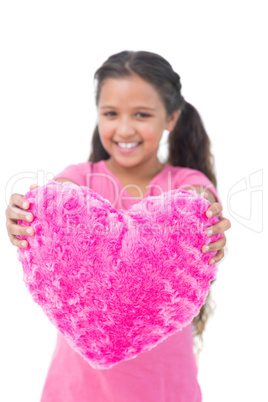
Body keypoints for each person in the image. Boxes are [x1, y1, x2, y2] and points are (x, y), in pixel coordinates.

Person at [5, 50, 231, 401]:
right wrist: (26, 217)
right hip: (74, 391)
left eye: (142, 114)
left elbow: (200, 203)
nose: (124, 129)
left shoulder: (186, 182)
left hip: (165, 390)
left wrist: (207, 225)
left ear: (171, 117)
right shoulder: (80, 178)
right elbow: (53, 203)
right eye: (111, 114)